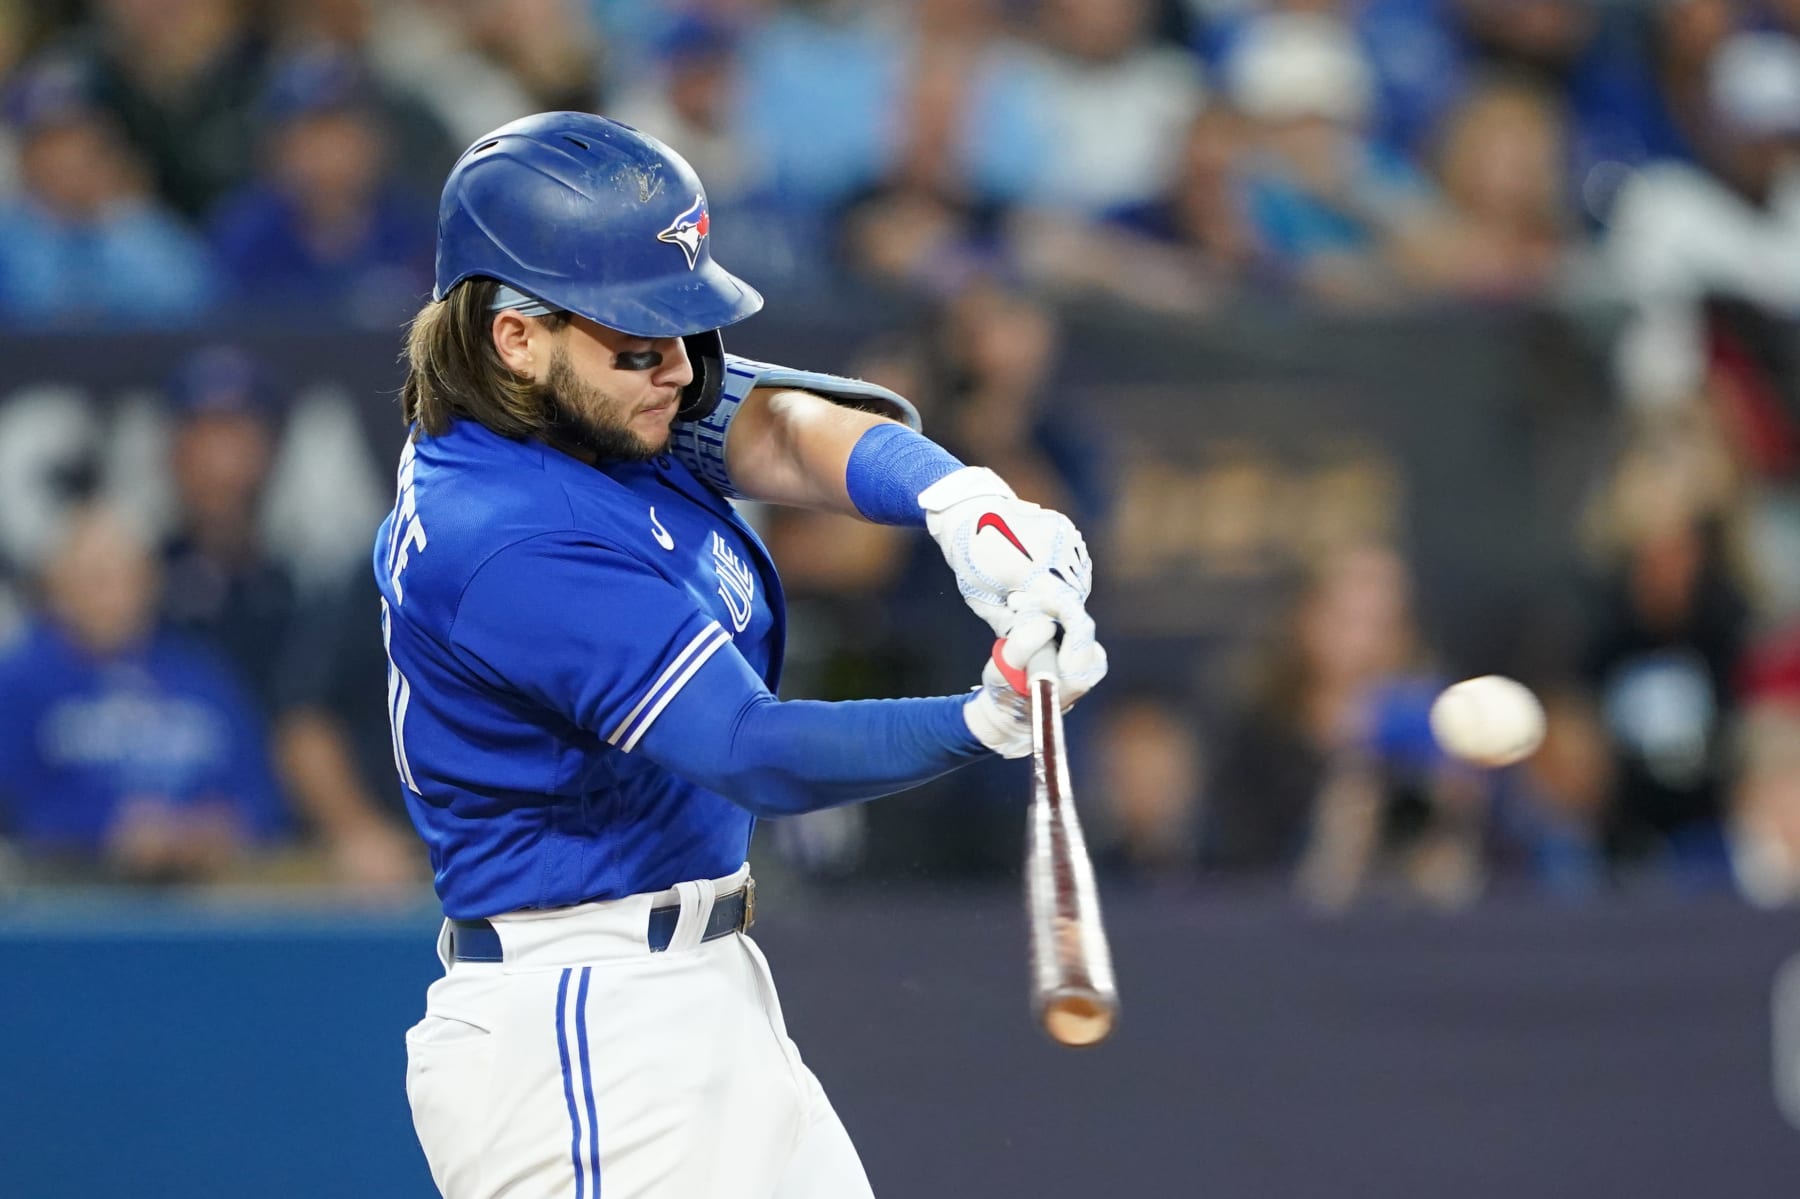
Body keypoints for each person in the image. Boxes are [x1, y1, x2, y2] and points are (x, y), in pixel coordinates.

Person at [382, 113, 1107, 1199]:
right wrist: (988, 714)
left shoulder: (586, 395)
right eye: (638, 337)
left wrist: (963, 503)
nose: (675, 366)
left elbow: (780, 426)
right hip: (583, 1025)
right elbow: (746, 743)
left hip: (694, 984)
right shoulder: (506, 532)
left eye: (676, 327)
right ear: (514, 336)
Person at [0, 502, 283, 883]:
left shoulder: (202, 678)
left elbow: (263, 795)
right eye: (98, 579)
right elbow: (17, 803)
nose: (116, 595)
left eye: (130, 577)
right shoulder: (19, 682)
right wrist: (107, 828)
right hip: (64, 897)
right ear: (56, 588)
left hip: (205, 893)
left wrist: (222, 825)